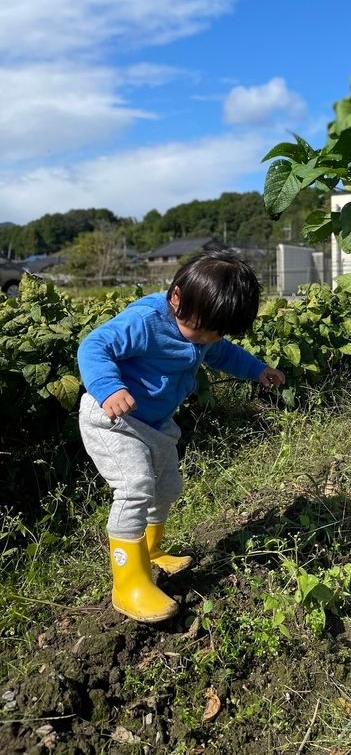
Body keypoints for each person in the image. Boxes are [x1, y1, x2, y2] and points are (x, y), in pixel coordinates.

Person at [77, 251, 285, 624]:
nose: (204, 340)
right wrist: (109, 388)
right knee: (136, 487)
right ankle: (129, 583)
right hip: (112, 418)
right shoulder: (146, 320)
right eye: (200, 331)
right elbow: (94, 346)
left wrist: (257, 369)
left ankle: (151, 552)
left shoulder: (203, 325)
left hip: (155, 424)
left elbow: (223, 353)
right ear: (176, 297)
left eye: (213, 333)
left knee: (169, 486)